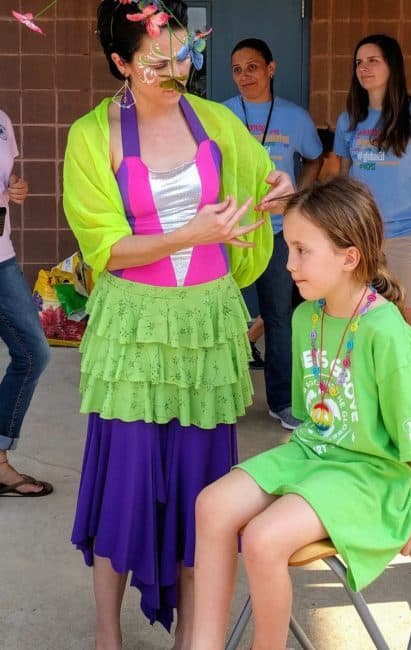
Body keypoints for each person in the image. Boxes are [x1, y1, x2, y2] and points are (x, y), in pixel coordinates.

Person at [63, 2, 293, 648]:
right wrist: (190, 233)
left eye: (184, 56)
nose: (176, 73)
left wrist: (276, 186)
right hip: (134, 331)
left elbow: (260, 181)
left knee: (202, 493)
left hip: (206, 329)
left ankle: (195, 636)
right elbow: (104, 248)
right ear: (120, 63)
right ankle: (108, 636)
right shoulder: (92, 135)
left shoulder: (215, 120)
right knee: (124, 487)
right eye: (156, 64)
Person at [191, 176, 411, 649]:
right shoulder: (308, 317)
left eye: (303, 250)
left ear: (350, 257)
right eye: (289, 248)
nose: (289, 264)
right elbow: (315, 417)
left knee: (263, 538)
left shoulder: (387, 334)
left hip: (369, 476)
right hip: (316, 452)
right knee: (212, 505)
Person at [223, 38, 324, 430]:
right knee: (221, 317)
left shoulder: (295, 118)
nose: (244, 76)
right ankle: (222, 396)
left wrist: (298, 195)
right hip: (228, 231)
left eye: (252, 67)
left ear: (271, 69)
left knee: (280, 318)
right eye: (236, 69)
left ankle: (281, 401)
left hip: (278, 233)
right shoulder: (222, 115)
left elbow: (316, 157)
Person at [334, 34, 411, 341]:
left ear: (393, 65)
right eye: (358, 63)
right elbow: (342, 181)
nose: (364, 68)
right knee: (364, 325)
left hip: (407, 238)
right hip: (360, 240)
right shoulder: (349, 118)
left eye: (373, 61)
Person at [0, 108, 52, 498]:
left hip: (1, 257)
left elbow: (8, 181)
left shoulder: (2, 120)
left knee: (33, 352)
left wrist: (15, 187)